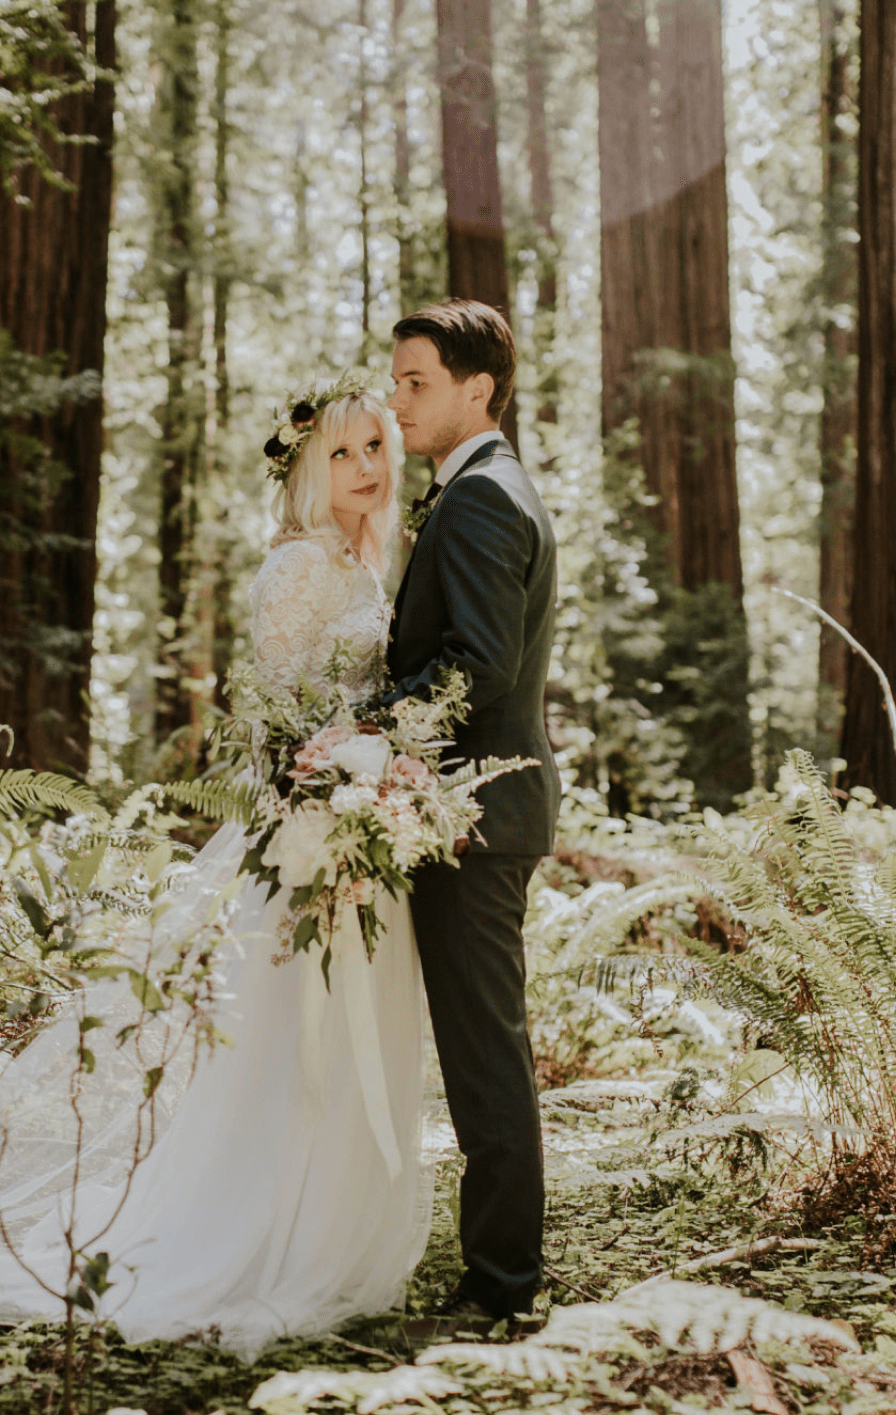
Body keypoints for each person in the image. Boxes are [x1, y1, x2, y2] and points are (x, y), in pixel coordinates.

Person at [0, 378, 438, 1361]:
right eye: (345, 452)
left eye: (378, 449)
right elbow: (271, 722)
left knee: (337, 1036)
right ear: (309, 468)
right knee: (294, 1045)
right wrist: (325, 795)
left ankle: (330, 1227)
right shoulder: (294, 569)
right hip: (305, 832)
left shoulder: (368, 561)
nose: (367, 468)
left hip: (362, 829)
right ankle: (259, 1237)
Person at [376, 298, 561, 1325]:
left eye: (417, 384)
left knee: (486, 1054)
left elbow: (480, 664)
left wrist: (372, 732)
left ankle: (502, 1288)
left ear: (476, 389)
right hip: (468, 811)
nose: (398, 402)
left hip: (474, 816)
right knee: (480, 1047)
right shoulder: (479, 489)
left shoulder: (484, 498)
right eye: (396, 381)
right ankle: (499, 1275)